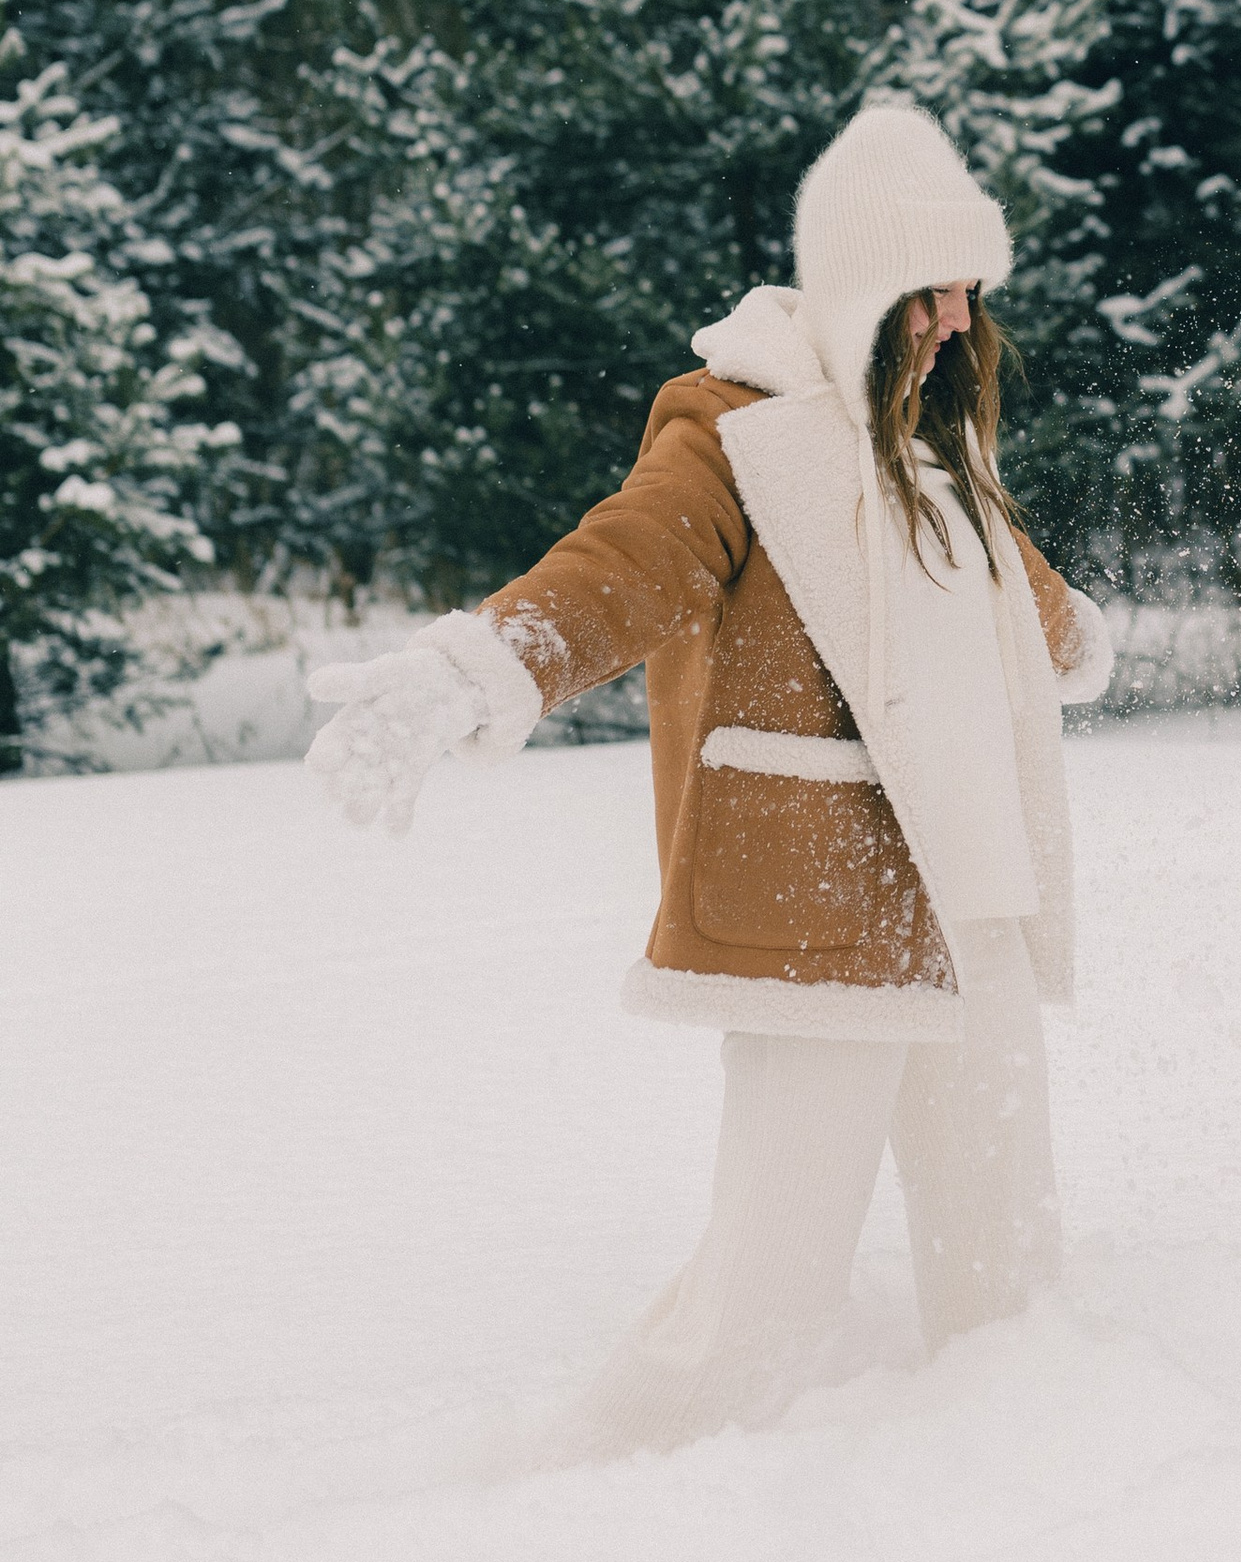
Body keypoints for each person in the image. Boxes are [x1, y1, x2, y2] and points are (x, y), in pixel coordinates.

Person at [304, 98, 1112, 1452]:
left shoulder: (934, 445)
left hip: (971, 906)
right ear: (860, 288)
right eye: (931, 292)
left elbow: (1005, 604)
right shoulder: (734, 437)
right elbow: (623, 564)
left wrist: (1072, 628)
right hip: (821, 910)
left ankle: (1014, 1480)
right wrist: (485, 663)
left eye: (969, 289)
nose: (958, 321)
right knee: (765, 1289)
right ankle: (613, 1482)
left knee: (1007, 1264)